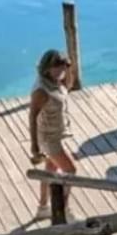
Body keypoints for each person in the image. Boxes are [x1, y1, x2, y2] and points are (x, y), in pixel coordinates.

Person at [29, 49, 77, 218]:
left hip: (56, 134)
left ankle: (42, 208)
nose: (60, 71)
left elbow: (69, 87)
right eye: (56, 67)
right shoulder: (42, 90)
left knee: (50, 170)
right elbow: (32, 116)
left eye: (63, 67)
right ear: (47, 68)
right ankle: (62, 210)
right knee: (70, 171)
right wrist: (34, 146)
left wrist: (69, 69)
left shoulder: (56, 81)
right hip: (49, 139)